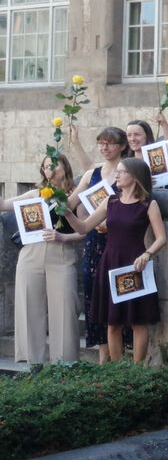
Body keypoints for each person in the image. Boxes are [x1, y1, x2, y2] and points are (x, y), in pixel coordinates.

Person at [64, 158, 166, 363]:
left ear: (134, 177)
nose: (116, 175)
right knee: (113, 322)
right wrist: (66, 213)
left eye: (121, 172)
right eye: (117, 171)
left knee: (138, 322)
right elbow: (84, 227)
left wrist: (147, 254)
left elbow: (161, 237)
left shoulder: (148, 203)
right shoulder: (110, 201)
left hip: (135, 264)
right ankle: (117, 373)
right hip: (110, 263)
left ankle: (136, 372)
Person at [5, 155, 81, 364]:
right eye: (47, 167)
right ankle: (34, 364)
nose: (51, 170)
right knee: (29, 306)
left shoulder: (75, 196)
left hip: (62, 253)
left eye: (55, 165)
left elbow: (85, 230)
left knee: (65, 308)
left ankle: (65, 365)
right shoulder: (35, 194)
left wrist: (63, 236)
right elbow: (3, 204)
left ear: (65, 166)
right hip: (31, 254)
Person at [73, 126, 126, 363]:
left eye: (110, 143)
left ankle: (121, 355)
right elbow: (72, 201)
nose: (105, 148)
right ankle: (103, 356)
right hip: (94, 241)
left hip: (118, 241)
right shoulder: (92, 173)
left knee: (117, 296)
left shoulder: (127, 171)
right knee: (94, 295)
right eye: (101, 143)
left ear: (122, 146)